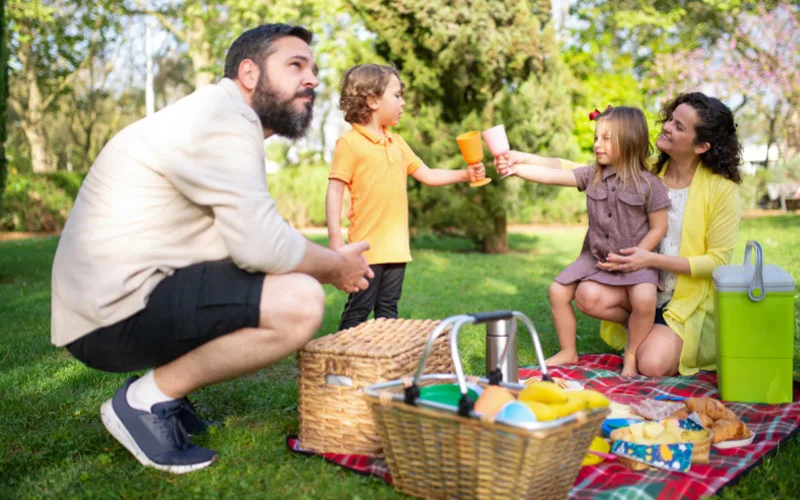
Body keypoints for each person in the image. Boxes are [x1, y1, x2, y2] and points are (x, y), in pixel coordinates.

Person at [50, 24, 374, 474]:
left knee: (277, 279)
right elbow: (262, 244)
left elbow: (252, 236)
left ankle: (169, 394)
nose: (312, 79)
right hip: (107, 314)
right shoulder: (223, 119)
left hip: (113, 301)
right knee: (299, 301)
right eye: (295, 65)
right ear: (249, 73)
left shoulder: (218, 115)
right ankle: (143, 402)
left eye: (313, 69)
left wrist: (320, 259)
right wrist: (335, 266)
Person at [575, 93, 742, 377]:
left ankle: (651, 335)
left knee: (651, 364)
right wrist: (522, 162)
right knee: (586, 296)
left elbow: (716, 262)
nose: (666, 127)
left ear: (701, 146)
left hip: (682, 301)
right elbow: (584, 171)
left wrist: (651, 259)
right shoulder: (647, 169)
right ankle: (643, 326)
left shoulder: (722, 190)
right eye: (671, 119)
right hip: (638, 288)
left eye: (679, 126)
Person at [496, 106, 671, 377]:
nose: (597, 144)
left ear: (630, 141)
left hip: (637, 258)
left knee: (644, 299)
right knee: (557, 291)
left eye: (606, 139)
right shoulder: (593, 175)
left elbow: (659, 227)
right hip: (596, 255)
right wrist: (517, 169)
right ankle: (568, 351)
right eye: (596, 138)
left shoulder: (649, 184)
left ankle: (632, 355)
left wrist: (639, 255)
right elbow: (553, 176)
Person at [326, 64, 486, 331]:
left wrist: (465, 174)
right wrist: (335, 238)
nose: (402, 103)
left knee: (389, 309)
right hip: (367, 249)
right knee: (359, 308)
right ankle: (340, 355)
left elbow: (428, 174)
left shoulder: (397, 142)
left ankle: (387, 355)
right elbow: (335, 190)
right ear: (372, 101)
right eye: (397, 96)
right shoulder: (350, 143)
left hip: (396, 247)